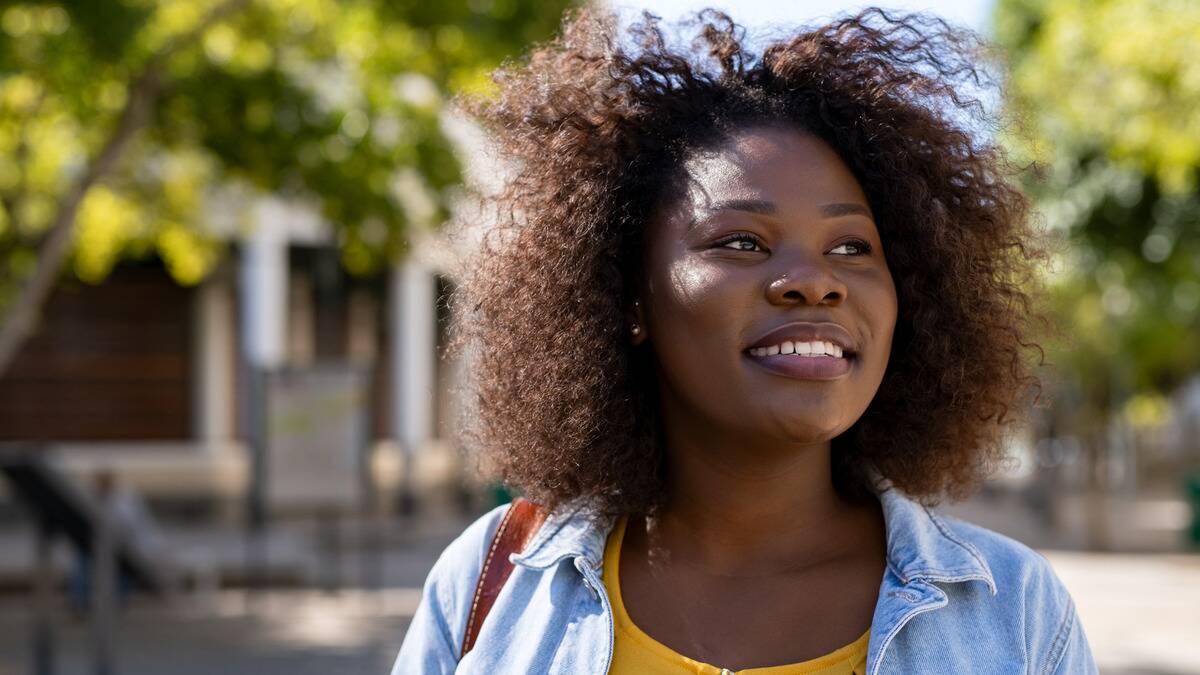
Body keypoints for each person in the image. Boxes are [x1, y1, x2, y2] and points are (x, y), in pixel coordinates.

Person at [393, 6, 1097, 674]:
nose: (814, 282)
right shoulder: (493, 583)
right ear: (630, 297)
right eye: (741, 241)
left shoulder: (1014, 610)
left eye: (852, 246)